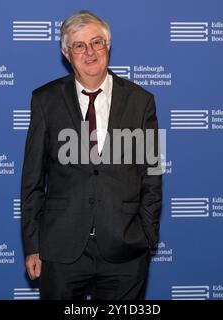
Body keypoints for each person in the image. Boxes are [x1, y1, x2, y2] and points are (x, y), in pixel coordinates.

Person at [21, 10, 162, 300]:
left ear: (108, 46)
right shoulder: (45, 101)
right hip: (61, 248)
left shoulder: (141, 101)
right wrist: (33, 244)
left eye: (97, 42)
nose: (90, 52)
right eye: (79, 45)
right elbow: (32, 180)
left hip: (125, 249)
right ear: (65, 52)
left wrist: (147, 237)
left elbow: (152, 176)